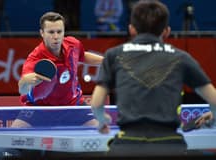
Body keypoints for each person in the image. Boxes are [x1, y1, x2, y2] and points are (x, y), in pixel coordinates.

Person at [91, 0, 216, 157]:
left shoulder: (114, 55)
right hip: (170, 145)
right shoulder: (181, 58)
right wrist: (213, 119)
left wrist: (103, 120)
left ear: (131, 29)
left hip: (127, 145)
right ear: (166, 31)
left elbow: (96, 103)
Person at [11, 12, 104, 128]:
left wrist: (106, 61)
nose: (56, 36)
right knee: (12, 136)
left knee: (100, 132)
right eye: (51, 32)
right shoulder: (35, 59)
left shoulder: (73, 44)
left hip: (73, 105)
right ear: (42, 33)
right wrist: (25, 81)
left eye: (59, 32)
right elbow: (23, 90)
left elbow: (82, 56)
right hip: (39, 109)